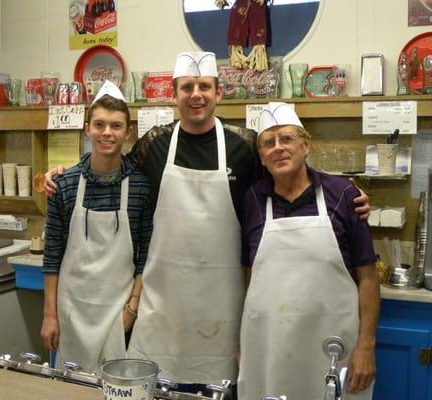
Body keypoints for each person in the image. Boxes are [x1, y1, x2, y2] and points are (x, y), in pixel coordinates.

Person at [44, 52, 370, 394]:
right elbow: (111, 162)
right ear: (175, 94)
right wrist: (65, 172)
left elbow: (286, 173)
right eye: (187, 87)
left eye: (203, 86)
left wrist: (344, 192)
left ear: (219, 93)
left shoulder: (243, 145)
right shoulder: (154, 143)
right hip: (163, 307)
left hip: (222, 309)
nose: (195, 94)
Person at [238, 102, 379, 400]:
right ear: (261, 157)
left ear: (306, 144)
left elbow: (368, 278)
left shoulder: (344, 196)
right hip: (269, 346)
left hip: (332, 347)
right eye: (269, 142)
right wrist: (243, 343)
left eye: (287, 138)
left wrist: (366, 346)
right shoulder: (252, 199)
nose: (278, 148)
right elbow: (250, 275)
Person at [40, 80, 152, 373]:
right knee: (72, 389)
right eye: (99, 124)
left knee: (117, 387)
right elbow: (52, 256)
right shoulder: (63, 184)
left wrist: (132, 308)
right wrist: (49, 315)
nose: (107, 133)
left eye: (116, 126)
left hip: (118, 312)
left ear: (128, 133)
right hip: (72, 311)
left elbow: (146, 255)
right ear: (87, 128)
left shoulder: (140, 185)